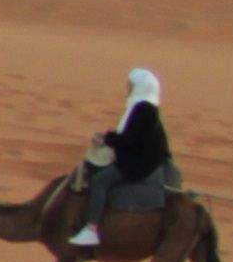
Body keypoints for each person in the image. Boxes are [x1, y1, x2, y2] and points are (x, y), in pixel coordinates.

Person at [65, 67, 173, 251]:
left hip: (138, 164)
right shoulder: (146, 107)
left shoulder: (142, 109)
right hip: (144, 159)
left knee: (99, 181)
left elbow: (129, 140)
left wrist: (106, 139)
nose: (128, 89)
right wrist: (109, 138)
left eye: (131, 85)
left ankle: (91, 228)